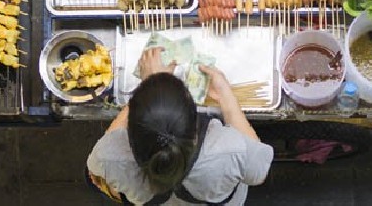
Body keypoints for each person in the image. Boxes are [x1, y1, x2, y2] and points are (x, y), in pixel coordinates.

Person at [86, 47, 274, 204]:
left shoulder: (109, 156)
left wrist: (150, 87)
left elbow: (94, 172)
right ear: (195, 118)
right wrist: (226, 95)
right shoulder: (229, 149)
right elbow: (258, 174)